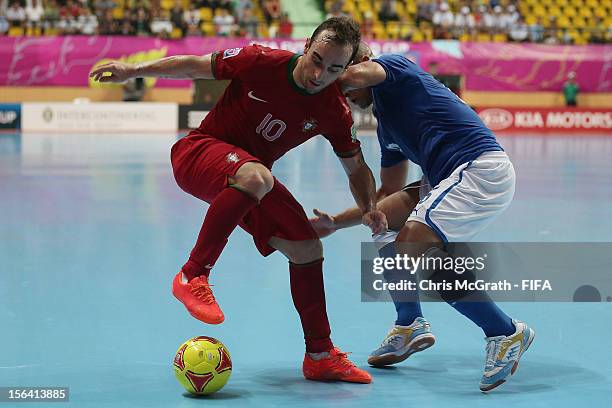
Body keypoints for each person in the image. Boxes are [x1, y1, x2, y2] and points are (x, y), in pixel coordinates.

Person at [89, 17, 386, 384]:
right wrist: (133, 70)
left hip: (250, 177)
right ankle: (192, 274)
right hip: (197, 153)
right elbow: (196, 65)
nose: (320, 73)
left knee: (306, 248)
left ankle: (320, 355)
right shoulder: (262, 61)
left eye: (334, 68)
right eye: (317, 59)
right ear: (307, 44)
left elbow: (356, 169)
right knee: (258, 175)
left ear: (346, 69)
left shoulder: (333, 110)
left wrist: (370, 208)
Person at [310, 43, 534, 392]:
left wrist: (308, 75)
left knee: (411, 245)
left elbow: (354, 74)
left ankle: (504, 331)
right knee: (383, 223)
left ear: (359, 66)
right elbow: (385, 192)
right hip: (446, 177)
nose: (347, 92)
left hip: (477, 168)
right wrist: (335, 223)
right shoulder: (386, 126)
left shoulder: (394, 68)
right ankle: (409, 323)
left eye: (344, 73)